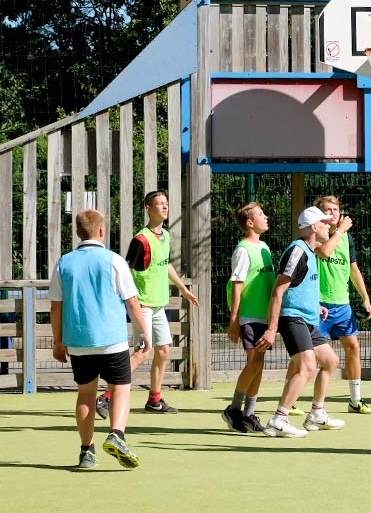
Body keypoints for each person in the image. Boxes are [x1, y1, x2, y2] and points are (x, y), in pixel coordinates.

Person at [50, 209, 151, 469]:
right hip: (112, 340)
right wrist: (143, 332)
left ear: (77, 232)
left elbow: (56, 308)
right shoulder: (114, 261)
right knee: (120, 389)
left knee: (85, 394)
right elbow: (132, 301)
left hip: (78, 341)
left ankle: (87, 452)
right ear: (102, 231)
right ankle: (117, 435)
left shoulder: (63, 263)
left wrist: (58, 342)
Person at [97, 191, 199, 418]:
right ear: (148, 208)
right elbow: (124, 270)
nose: (165, 207)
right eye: (160, 204)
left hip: (159, 304)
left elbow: (166, 265)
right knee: (144, 352)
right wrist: (122, 299)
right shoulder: (141, 240)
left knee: (163, 351)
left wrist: (183, 289)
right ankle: (105, 398)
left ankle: (154, 400)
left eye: (167, 203)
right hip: (142, 304)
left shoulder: (165, 236)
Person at [254, 206, 348, 438]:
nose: (329, 226)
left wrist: (315, 306)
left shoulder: (311, 251)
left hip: (307, 318)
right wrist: (271, 328)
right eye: (325, 223)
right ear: (314, 227)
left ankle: (316, 414)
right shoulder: (297, 251)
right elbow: (278, 290)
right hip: (292, 318)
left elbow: (298, 286)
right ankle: (278, 420)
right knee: (307, 367)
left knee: (330, 361)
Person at [313, 195, 371, 414]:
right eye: (328, 210)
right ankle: (290, 401)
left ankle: (355, 400)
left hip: (343, 305)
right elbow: (323, 252)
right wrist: (338, 231)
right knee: (307, 355)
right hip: (318, 305)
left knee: (353, 347)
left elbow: (353, 268)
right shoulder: (316, 234)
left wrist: (365, 298)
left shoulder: (346, 238)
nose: (333, 214)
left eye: (336, 210)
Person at [221, 202, 274, 434]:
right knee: (254, 362)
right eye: (261, 214)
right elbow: (237, 285)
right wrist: (234, 321)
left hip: (264, 316)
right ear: (250, 223)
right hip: (249, 315)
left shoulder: (264, 247)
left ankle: (249, 414)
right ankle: (233, 409)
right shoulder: (243, 250)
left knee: (259, 365)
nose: (266, 216)